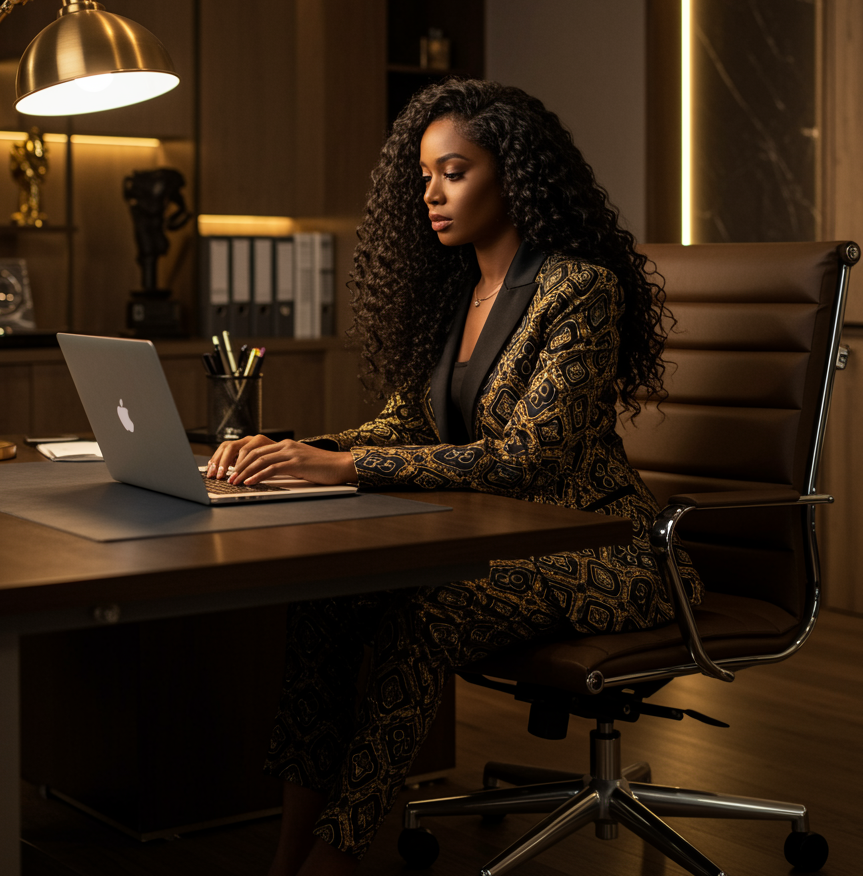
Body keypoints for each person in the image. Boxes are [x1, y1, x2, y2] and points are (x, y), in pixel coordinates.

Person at [206, 79, 702, 876]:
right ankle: (288, 854)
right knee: (325, 605)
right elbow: (402, 429)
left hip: (618, 553)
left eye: (455, 171)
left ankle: (335, 859)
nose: (431, 193)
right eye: (424, 177)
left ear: (516, 175)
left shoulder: (580, 290)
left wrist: (340, 466)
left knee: (425, 610)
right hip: (509, 548)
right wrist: (285, 450)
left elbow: (526, 459)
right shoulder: (458, 299)